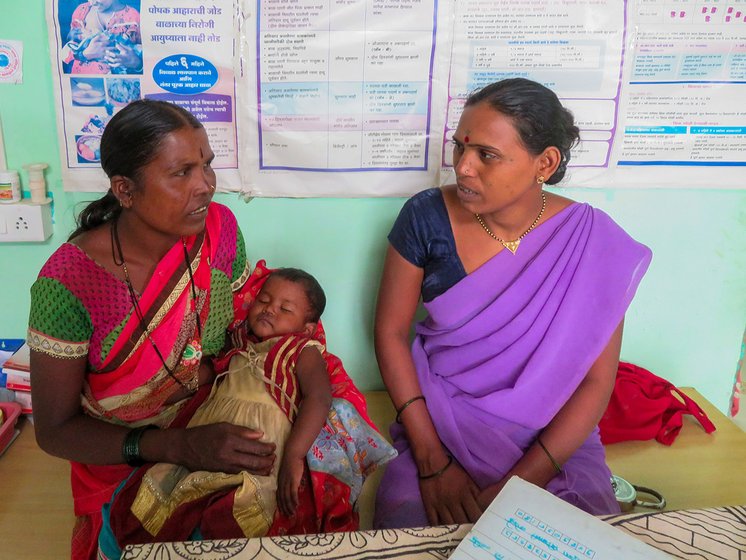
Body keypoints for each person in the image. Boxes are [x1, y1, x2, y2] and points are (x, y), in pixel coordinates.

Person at [373, 78, 652, 529]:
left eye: (486, 154)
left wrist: (523, 480)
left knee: (578, 533)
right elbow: (389, 333)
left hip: (552, 437)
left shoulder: (592, 242)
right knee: (408, 525)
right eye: (460, 147)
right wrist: (431, 459)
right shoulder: (425, 217)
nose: (462, 167)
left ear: (544, 162)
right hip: (442, 422)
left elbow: (595, 383)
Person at [28, 99, 275, 560]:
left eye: (206, 165)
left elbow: (235, 330)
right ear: (125, 189)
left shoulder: (219, 231)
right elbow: (55, 430)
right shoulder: (70, 285)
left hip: (210, 413)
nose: (205, 187)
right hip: (122, 451)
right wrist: (177, 445)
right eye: (181, 172)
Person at [98, 264, 396, 553]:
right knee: (156, 503)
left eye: (285, 309)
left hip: (259, 447)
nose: (269, 309)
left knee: (233, 519)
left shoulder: (302, 351)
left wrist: (294, 454)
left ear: (307, 327)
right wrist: (157, 391)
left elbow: (319, 398)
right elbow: (201, 377)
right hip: (205, 437)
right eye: (264, 300)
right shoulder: (236, 345)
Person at [62, 0, 142, 74]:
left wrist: (137, 63)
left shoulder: (134, 19)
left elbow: (146, 58)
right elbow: (70, 44)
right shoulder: (81, 12)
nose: (93, 2)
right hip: (80, 80)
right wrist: (84, 54)